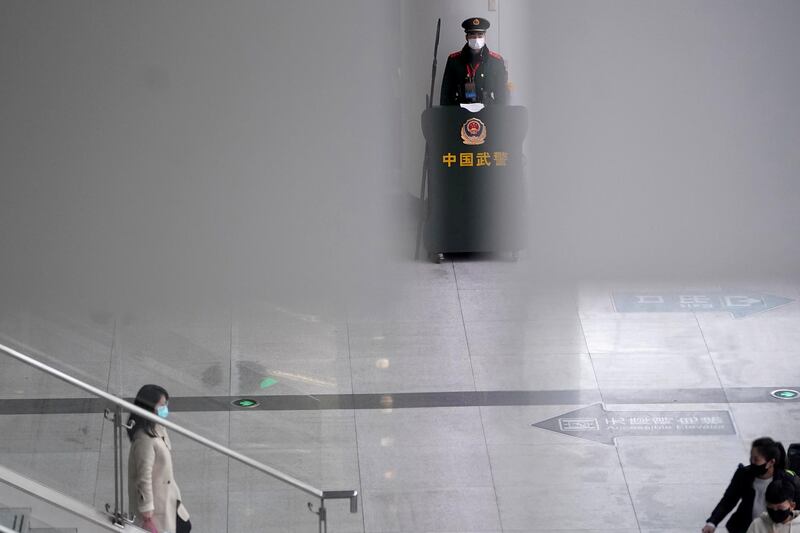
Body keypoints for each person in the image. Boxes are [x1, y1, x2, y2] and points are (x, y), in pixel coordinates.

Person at [127, 384, 191, 533]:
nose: (165, 409)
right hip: (156, 505)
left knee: (185, 526)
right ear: (150, 407)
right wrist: (147, 513)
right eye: (162, 405)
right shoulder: (144, 439)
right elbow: (144, 476)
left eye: (166, 404)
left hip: (168, 497)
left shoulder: (157, 427)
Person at [703, 438, 800, 533]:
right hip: (746, 527)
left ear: (771, 462)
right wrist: (712, 522)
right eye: (751, 458)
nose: (752, 462)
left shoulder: (789, 481)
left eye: (756, 460)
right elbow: (729, 499)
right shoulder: (743, 475)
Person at [440, 17, 509, 105]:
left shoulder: (496, 61)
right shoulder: (454, 60)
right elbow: (446, 96)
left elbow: (501, 96)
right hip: (460, 112)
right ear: (466, 37)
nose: (476, 38)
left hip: (488, 112)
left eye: (480, 35)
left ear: (485, 37)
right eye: (472, 35)